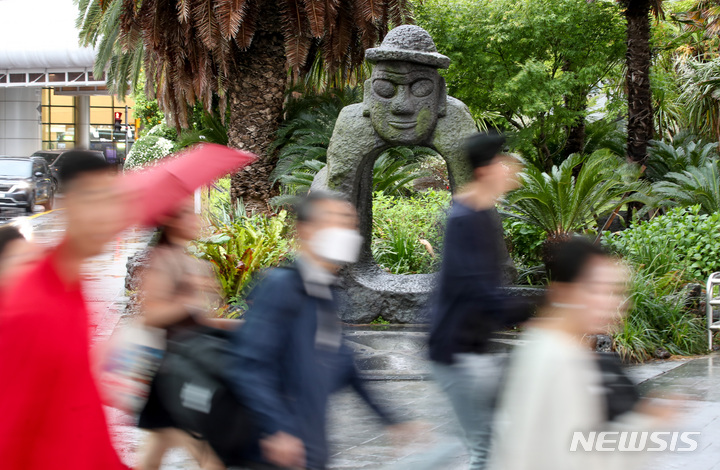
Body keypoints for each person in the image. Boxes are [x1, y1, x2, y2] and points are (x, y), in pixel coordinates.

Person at [228, 191, 406, 470]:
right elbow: (249, 367)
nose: (345, 231)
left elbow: (345, 367)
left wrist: (390, 419)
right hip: (275, 453)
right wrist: (278, 431)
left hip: (308, 448)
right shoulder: (281, 288)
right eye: (334, 221)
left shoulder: (325, 292)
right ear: (306, 230)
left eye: (349, 223)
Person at [488, 238, 676, 470]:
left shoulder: (550, 348)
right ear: (562, 293)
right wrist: (648, 422)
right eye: (596, 289)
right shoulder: (558, 360)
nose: (611, 303)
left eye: (614, 291)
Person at [0, 151, 131, 469]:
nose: (105, 215)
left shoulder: (72, 288)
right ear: (65, 204)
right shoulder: (29, 307)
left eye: (110, 200)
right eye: (92, 200)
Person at [428, 131, 532, 470]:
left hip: (471, 349)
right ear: (487, 170)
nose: (512, 168)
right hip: (457, 353)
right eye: (505, 162)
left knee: (491, 441)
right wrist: (538, 310)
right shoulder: (465, 219)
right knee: (485, 447)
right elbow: (478, 291)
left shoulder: (482, 214)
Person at [135, 198, 225, 470]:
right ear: (172, 222)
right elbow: (150, 316)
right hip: (174, 370)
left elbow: (197, 320)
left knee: (157, 446)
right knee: (208, 453)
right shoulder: (163, 260)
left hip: (181, 367)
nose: (196, 220)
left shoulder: (187, 259)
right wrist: (189, 301)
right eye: (188, 215)